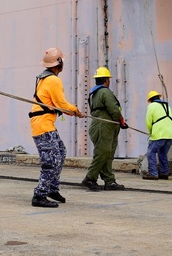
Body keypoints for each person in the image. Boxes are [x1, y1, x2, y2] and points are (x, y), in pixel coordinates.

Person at [28, 48, 84, 207]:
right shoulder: (53, 80)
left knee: (61, 151)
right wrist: (75, 111)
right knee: (51, 161)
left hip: (44, 123)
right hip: (43, 125)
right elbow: (61, 104)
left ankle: (52, 188)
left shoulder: (44, 78)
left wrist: (72, 111)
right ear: (59, 63)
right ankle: (39, 195)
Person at [82, 67, 127, 191]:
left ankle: (109, 181)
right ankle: (90, 178)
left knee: (107, 154)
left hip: (100, 125)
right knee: (102, 153)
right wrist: (121, 120)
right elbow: (114, 109)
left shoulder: (93, 93)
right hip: (104, 126)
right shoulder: (105, 92)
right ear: (106, 80)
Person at [142, 91, 172, 180]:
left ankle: (153, 173)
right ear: (158, 98)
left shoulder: (151, 106)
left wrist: (150, 132)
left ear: (150, 100)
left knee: (151, 152)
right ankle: (164, 173)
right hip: (169, 134)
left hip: (159, 134)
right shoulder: (167, 106)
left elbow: (148, 122)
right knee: (163, 153)